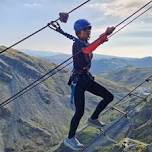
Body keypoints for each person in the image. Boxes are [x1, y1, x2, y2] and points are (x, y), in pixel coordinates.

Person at [64, 19, 115, 151]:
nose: (89, 32)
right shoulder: (77, 44)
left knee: (109, 97)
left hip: (86, 79)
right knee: (79, 112)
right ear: (79, 32)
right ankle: (70, 138)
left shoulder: (84, 42)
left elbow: (90, 46)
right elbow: (87, 50)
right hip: (79, 81)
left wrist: (105, 34)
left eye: (89, 29)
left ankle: (93, 118)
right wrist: (104, 37)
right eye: (86, 30)